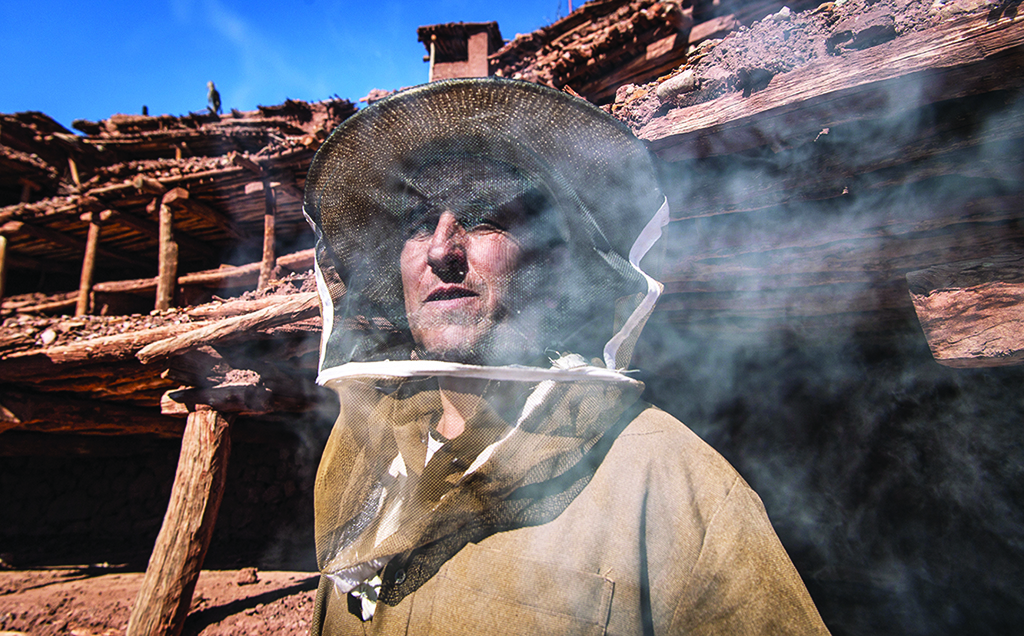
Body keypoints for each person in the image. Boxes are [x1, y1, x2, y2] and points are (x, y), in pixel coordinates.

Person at [302, 78, 830, 635]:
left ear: (554, 273)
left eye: (482, 217)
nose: (439, 249)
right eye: (416, 225)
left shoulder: (671, 481)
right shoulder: (370, 460)